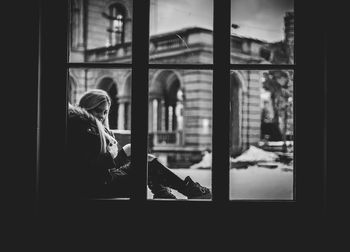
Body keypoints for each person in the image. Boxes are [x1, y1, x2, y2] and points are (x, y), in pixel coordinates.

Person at [67, 89, 211, 199]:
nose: (102, 116)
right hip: (98, 187)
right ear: (86, 107)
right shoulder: (84, 129)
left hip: (103, 180)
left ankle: (165, 192)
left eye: (105, 112)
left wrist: (119, 153)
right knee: (147, 164)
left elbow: (100, 167)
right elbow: (87, 169)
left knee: (141, 155)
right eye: (98, 110)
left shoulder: (91, 127)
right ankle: (185, 189)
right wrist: (112, 154)